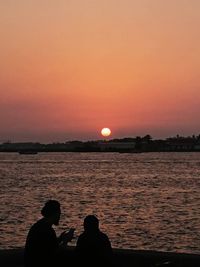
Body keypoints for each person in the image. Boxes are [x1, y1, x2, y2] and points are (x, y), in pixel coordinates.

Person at [24, 200, 75, 267]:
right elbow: (54, 253)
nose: (60, 215)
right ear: (54, 213)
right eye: (59, 213)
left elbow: (48, 245)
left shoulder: (39, 226)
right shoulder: (47, 230)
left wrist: (60, 239)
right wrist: (65, 241)